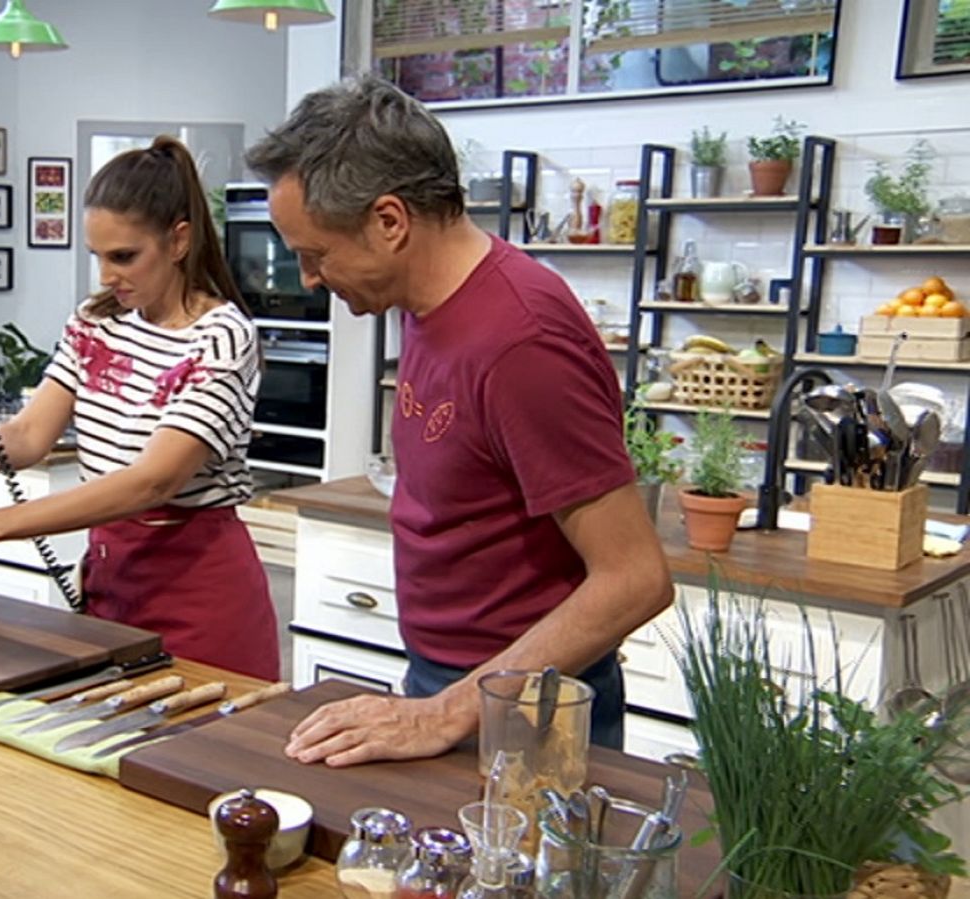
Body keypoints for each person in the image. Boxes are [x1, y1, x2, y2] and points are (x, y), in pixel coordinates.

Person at [243, 75, 673, 766]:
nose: (310, 278)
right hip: (452, 683)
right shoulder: (425, 306)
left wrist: (444, 712)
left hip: (529, 709)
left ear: (390, 221)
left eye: (316, 253)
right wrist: (432, 704)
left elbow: (635, 578)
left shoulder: (522, 339)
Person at [0, 136, 280, 680]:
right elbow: (29, 438)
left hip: (200, 590)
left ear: (179, 241)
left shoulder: (221, 338)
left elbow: (152, 482)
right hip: (110, 578)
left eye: (124, 256)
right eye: (98, 257)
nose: (107, 276)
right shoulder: (95, 324)